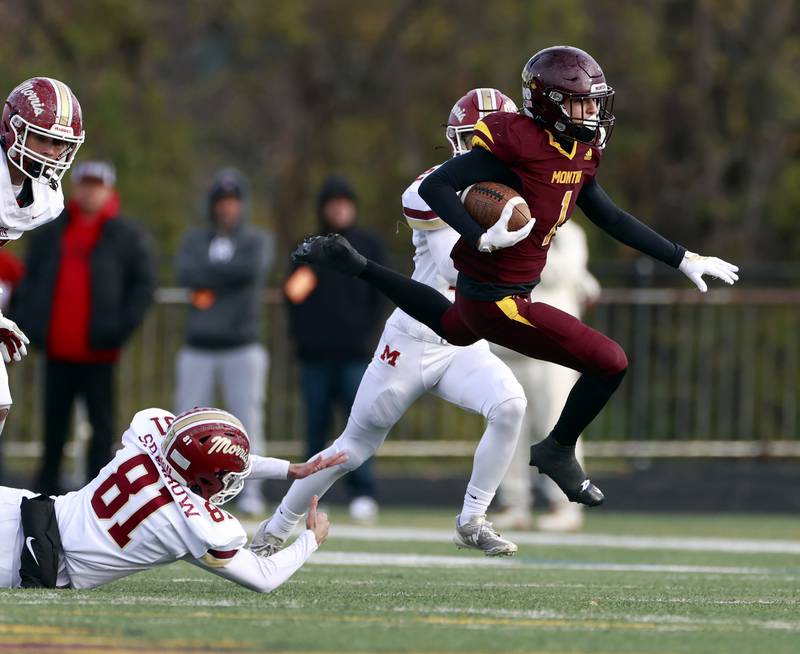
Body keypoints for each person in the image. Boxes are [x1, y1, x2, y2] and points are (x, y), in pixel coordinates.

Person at [289, 46, 739, 507]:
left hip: (484, 297)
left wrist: (682, 257)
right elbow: (434, 185)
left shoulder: (580, 151)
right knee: (611, 361)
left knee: (452, 325)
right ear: (550, 104)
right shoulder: (518, 143)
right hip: (497, 300)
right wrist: (478, 237)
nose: (592, 112)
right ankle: (557, 450)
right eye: (582, 101)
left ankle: (359, 267)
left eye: (594, 101)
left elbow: (611, 217)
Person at [252, 89, 526, 558]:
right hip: (416, 337)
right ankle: (275, 530)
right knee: (352, 448)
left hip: (464, 339)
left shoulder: (521, 189)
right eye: (475, 139)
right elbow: (451, 266)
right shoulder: (432, 190)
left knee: (510, 406)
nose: (486, 150)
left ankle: (473, 519)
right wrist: (498, 241)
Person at [0, 406, 343, 591]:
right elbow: (265, 576)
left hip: (22, 506)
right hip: (25, 560)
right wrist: (310, 539)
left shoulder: (148, 434)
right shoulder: (189, 524)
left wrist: (287, 470)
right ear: (205, 477)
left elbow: (206, 458)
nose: (232, 481)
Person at [13, 160, 155, 496]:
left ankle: (98, 492)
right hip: (58, 349)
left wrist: (120, 328)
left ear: (109, 190)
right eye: (85, 184)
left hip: (99, 351)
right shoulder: (52, 230)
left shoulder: (125, 235)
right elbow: (29, 280)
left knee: (101, 429)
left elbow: (144, 285)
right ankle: (44, 493)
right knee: (54, 427)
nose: (90, 191)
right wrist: (31, 324)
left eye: (97, 185)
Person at [284, 176, 387, 523]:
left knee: (359, 428)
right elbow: (293, 297)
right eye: (333, 202)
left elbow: (380, 297)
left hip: (356, 356)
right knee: (314, 428)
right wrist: (301, 340)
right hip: (315, 358)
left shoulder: (369, 246)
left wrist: (367, 336)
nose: (339, 208)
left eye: (345, 202)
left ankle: (363, 493)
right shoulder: (308, 247)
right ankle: (310, 495)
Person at [174, 169, 274, 516]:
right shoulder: (195, 241)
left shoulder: (257, 240)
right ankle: (182, 489)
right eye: (222, 202)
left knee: (248, 420)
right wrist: (227, 276)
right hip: (198, 344)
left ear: (241, 205)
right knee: (187, 422)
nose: (227, 208)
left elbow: (251, 269)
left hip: (242, 344)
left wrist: (212, 279)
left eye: (233, 202)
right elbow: (185, 273)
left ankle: (251, 492)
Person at [491, 220, 599, 532]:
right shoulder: (500, 226)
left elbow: (558, 274)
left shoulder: (570, 234)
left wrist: (520, 245)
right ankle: (514, 504)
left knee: (558, 428)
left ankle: (566, 504)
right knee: (506, 429)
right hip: (506, 348)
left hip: (554, 352)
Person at [0, 77, 85, 439]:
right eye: (43, 139)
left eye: (59, 143)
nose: (51, 152)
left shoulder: (47, 199)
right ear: (12, 129)